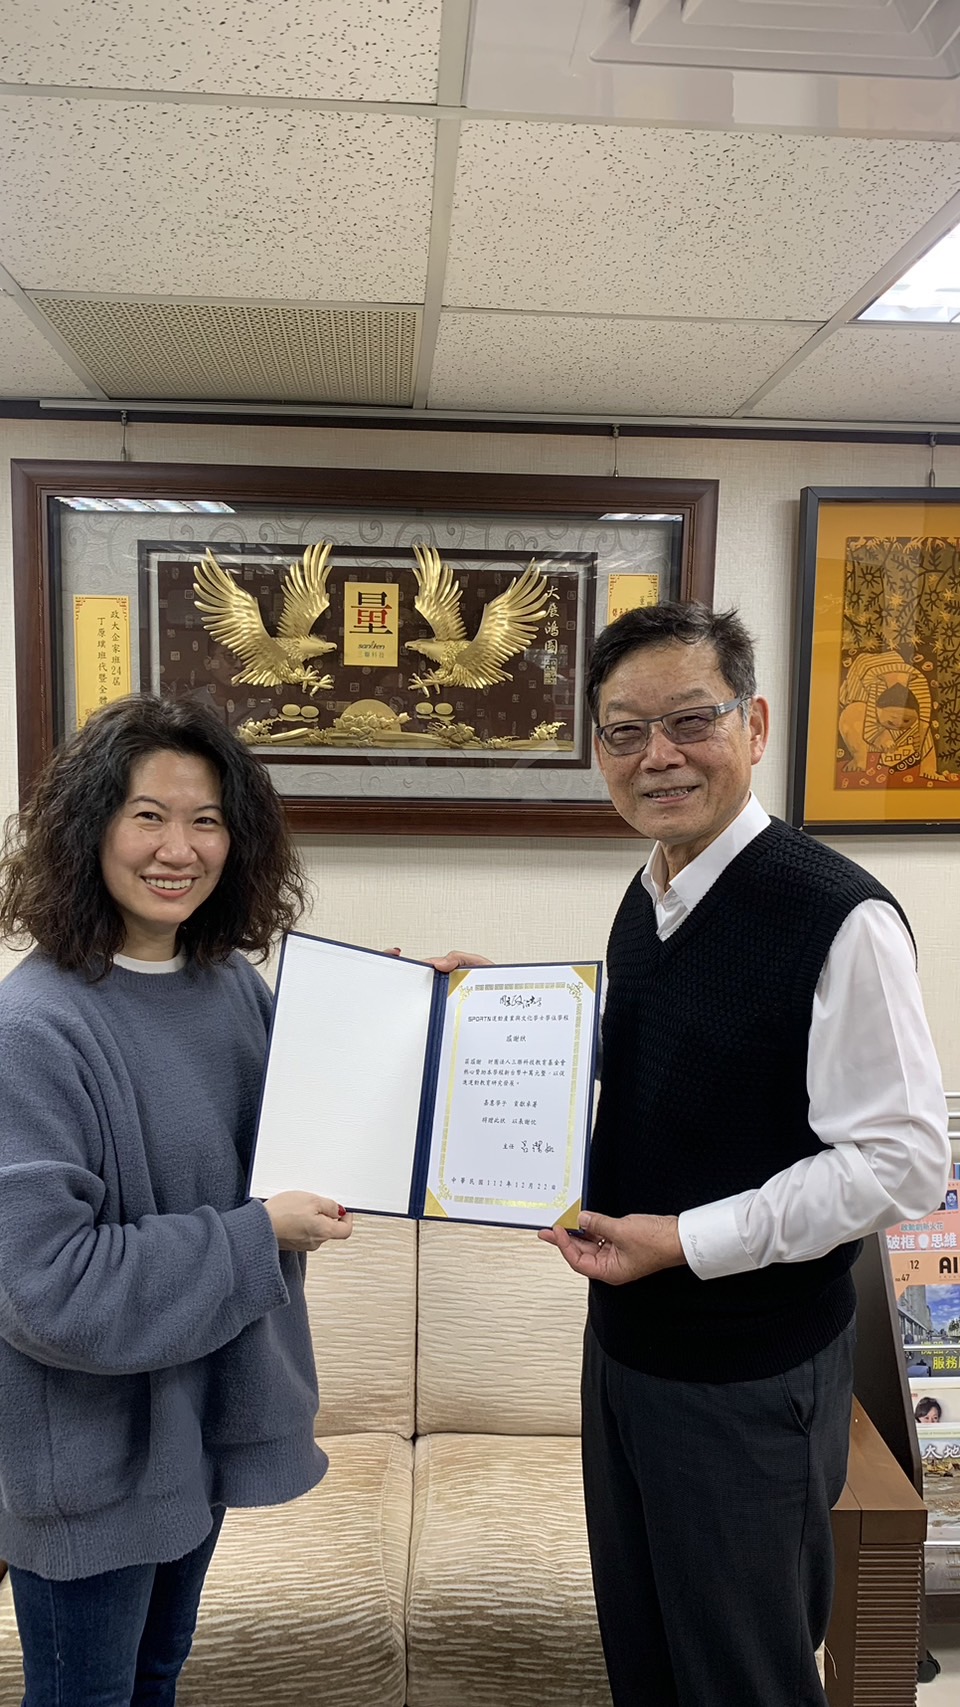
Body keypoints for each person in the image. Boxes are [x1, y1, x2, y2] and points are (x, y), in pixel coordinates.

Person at [434, 600, 948, 1707]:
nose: (657, 756)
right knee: (648, 1663)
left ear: (753, 725)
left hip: (748, 1377)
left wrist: (686, 1241)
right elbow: (673, 1057)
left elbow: (901, 1160)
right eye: (625, 731)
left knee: (742, 1679)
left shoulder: (839, 917)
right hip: (628, 1352)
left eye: (689, 720)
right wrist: (506, 1013)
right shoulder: (653, 892)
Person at [0, 694, 352, 1707]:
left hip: (200, 1433)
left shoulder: (228, 987)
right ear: (89, 827)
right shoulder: (33, 1028)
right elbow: (46, 1288)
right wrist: (257, 1236)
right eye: (147, 815)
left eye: (206, 820)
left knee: (156, 1679)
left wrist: (442, 1015)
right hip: (90, 1463)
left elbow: (328, 1111)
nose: (179, 849)